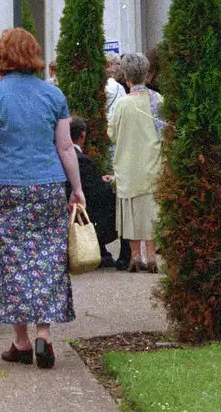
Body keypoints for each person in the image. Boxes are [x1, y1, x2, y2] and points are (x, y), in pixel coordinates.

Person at [0, 29, 83, 369]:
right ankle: (44, 334)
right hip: (48, 184)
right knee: (49, 256)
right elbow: (65, 146)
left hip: (6, 186)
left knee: (9, 260)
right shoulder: (54, 95)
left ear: (3, 55)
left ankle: (19, 341)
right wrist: (76, 188)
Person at [110, 52, 161, 273]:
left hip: (128, 165)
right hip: (152, 163)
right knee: (150, 212)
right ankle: (151, 256)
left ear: (127, 77)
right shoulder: (158, 100)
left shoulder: (122, 104)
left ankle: (134, 256)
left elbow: (112, 134)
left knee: (130, 213)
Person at [68, 118, 120, 268]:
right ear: (82, 135)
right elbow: (96, 191)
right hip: (85, 208)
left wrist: (99, 179)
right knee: (114, 200)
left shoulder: (57, 156)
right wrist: (109, 185)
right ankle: (112, 251)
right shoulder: (82, 160)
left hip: (70, 202)